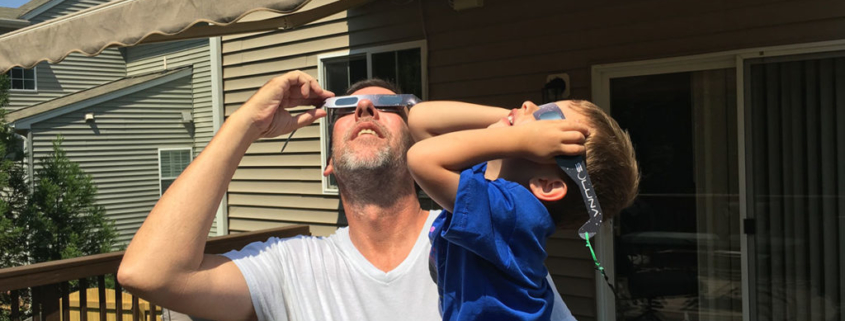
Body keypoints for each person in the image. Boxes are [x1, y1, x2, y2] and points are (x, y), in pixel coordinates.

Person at [118, 71, 579, 321]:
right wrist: (245, 125)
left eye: (389, 107)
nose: (363, 107)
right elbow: (149, 273)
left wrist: (525, 125)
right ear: (331, 166)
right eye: (343, 109)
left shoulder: (483, 245)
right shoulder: (290, 267)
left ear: (418, 141)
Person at [407, 100, 639, 321]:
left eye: (549, 117)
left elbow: (421, 157)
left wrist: (518, 135)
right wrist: (515, 120)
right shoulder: (485, 184)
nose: (529, 104)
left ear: (546, 185)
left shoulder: (514, 214)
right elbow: (420, 119)